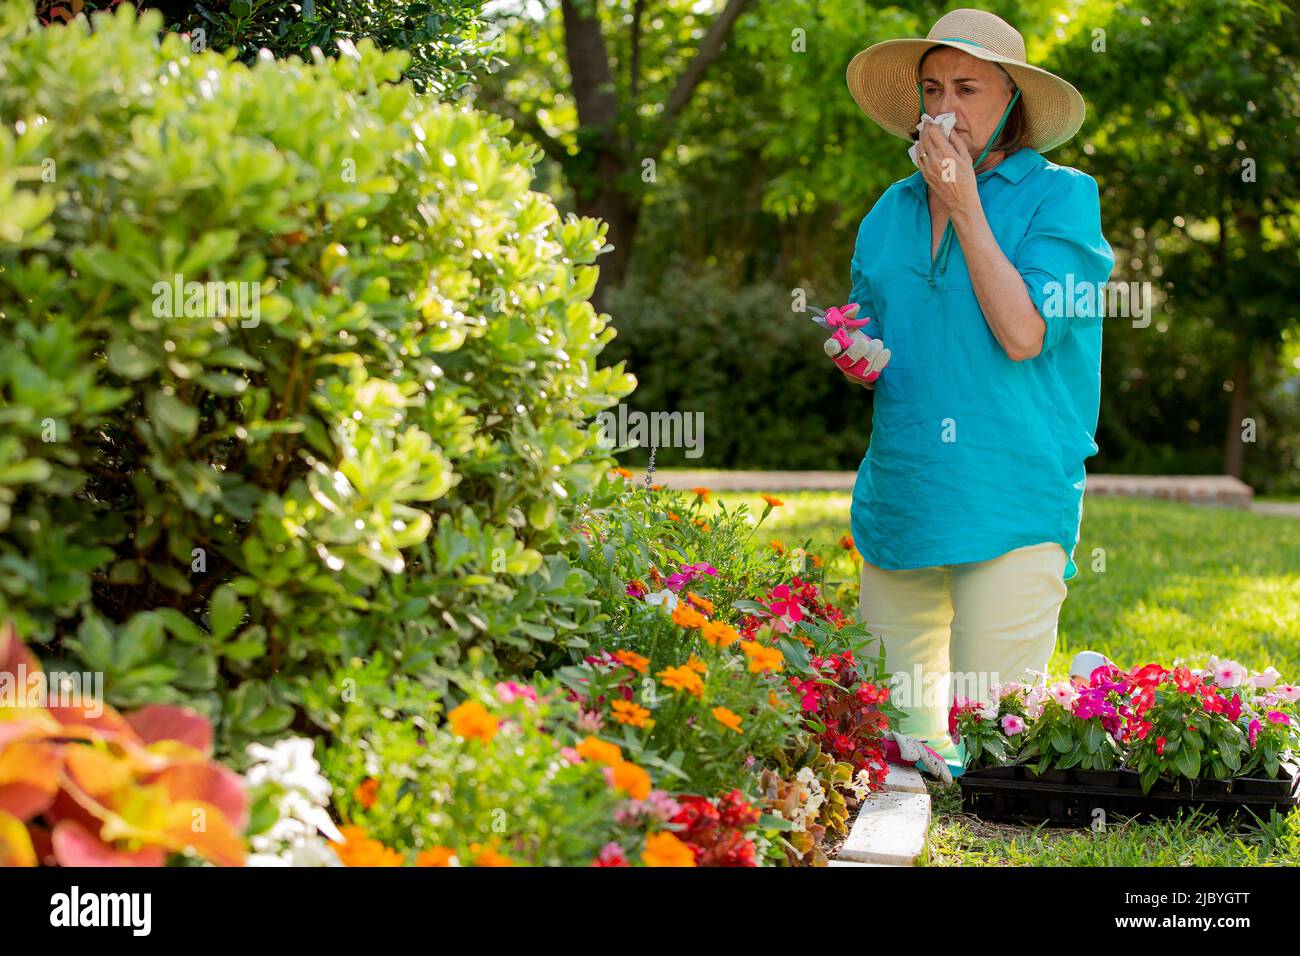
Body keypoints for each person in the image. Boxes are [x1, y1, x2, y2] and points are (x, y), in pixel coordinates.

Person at [831, 8, 1117, 780]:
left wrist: (962, 201)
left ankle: (1099, 709)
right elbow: (873, 330)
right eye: (932, 89)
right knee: (891, 756)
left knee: (996, 755)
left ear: (1014, 102)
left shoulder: (1063, 199)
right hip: (904, 493)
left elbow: (1024, 333)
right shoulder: (889, 210)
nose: (944, 108)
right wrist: (856, 355)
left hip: (1010, 487)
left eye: (969, 87)